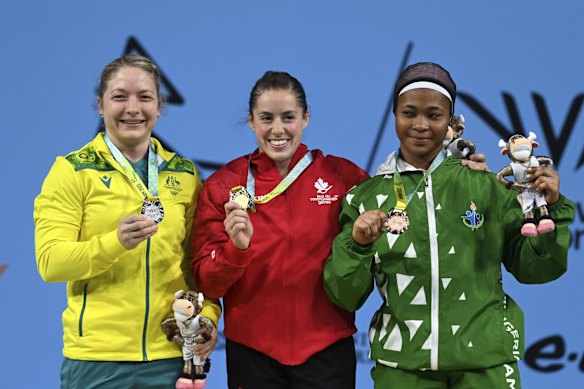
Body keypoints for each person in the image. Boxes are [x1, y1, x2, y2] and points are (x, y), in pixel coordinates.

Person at [323, 62, 575, 388]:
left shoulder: (487, 187)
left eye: (434, 115)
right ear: (395, 115)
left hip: (484, 364)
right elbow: (345, 296)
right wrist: (356, 245)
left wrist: (551, 210)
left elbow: (537, 269)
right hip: (403, 367)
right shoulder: (366, 197)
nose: (420, 125)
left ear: (452, 122)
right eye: (409, 113)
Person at [34, 54, 221, 388]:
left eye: (144, 97)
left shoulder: (184, 174)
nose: (132, 108)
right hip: (95, 361)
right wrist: (114, 243)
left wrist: (207, 317)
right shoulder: (73, 170)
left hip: (170, 359)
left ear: (160, 106)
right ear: (101, 105)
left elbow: (200, 264)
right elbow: (51, 262)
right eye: (120, 96)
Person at [191, 71, 369, 388]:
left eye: (288, 117)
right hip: (252, 353)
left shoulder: (342, 176)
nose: (277, 129)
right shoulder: (223, 185)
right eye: (266, 118)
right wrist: (236, 249)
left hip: (327, 351)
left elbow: (403, 204)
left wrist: (458, 170)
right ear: (251, 121)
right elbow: (207, 281)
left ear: (305, 118)